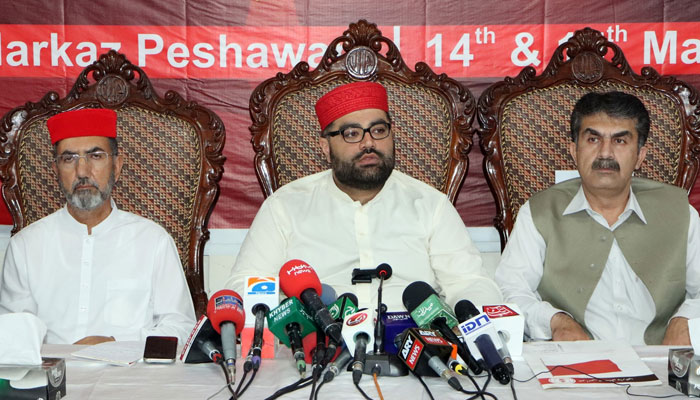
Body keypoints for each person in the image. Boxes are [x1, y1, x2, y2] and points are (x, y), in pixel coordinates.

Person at [227, 81, 501, 311]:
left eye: (379, 130)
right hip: (316, 351)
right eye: (352, 133)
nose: (368, 143)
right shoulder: (285, 207)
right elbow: (246, 285)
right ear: (325, 146)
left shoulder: (430, 205)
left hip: (414, 353)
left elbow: (469, 283)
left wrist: (476, 323)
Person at [495, 91, 700, 345]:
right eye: (593, 139)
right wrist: (555, 321)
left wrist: (685, 321)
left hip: (662, 365)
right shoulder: (540, 212)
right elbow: (509, 291)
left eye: (620, 141)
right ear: (574, 150)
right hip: (574, 364)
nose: (605, 154)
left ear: (640, 155)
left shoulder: (679, 213)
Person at [0, 108, 196, 344]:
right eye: (69, 158)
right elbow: (14, 337)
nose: (82, 172)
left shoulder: (153, 241)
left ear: (117, 165)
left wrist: (118, 345)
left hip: (129, 376)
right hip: (52, 377)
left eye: (95, 156)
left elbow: (182, 329)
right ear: (56, 171)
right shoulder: (25, 247)